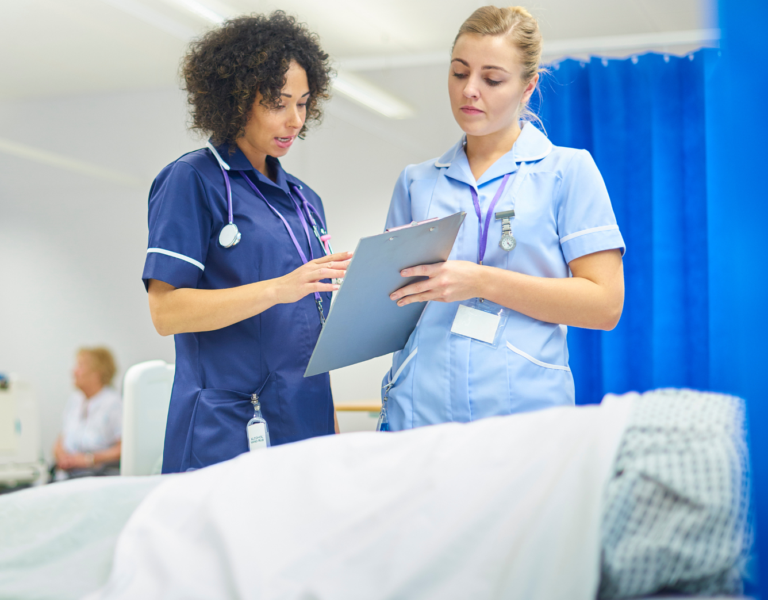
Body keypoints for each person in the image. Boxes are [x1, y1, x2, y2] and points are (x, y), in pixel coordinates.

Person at [380, 6, 626, 431]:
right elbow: (392, 308)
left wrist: (479, 281)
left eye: (492, 79)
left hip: (525, 414)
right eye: (459, 73)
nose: (470, 90)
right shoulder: (417, 183)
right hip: (420, 412)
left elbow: (605, 306)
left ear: (528, 85)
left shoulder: (566, 171)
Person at [143, 13, 351, 474]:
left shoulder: (304, 199)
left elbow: (307, 328)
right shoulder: (193, 180)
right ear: (237, 101)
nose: (295, 120)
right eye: (278, 103)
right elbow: (166, 312)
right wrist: (279, 288)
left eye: (303, 103)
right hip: (230, 427)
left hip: (306, 420)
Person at [52, 347, 122, 479]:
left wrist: (89, 459)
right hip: (67, 475)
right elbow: (61, 439)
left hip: (95, 476)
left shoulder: (114, 404)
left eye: (80, 366)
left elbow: (123, 448)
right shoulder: (75, 400)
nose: (74, 371)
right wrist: (62, 457)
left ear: (97, 373)